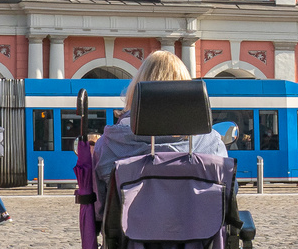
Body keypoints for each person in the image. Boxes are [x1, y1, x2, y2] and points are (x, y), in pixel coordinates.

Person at [93, 50, 227, 201]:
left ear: (137, 91)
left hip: (129, 225)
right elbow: (228, 194)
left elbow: (100, 200)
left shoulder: (109, 143)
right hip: (198, 224)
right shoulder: (210, 142)